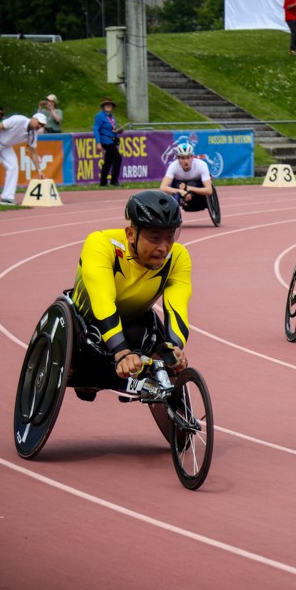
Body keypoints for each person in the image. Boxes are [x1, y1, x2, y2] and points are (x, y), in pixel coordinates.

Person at [72, 190, 190, 385]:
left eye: (170, 237)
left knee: (142, 335)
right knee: (99, 336)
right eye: (154, 238)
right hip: (87, 324)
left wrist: (174, 347)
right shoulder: (100, 243)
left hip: (134, 322)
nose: (164, 247)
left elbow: (177, 306)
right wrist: (121, 351)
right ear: (131, 234)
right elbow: (102, 301)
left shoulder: (178, 256)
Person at [159, 141, 214, 213]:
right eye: (182, 158)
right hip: (180, 186)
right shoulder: (173, 166)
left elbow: (209, 190)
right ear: (178, 158)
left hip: (198, 186)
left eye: (188, 157)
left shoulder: (201, 165)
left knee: (192, 184)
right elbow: (163, 187)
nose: (186, 161)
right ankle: (183, 200)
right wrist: (180, 191)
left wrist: (189, 188)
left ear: (192, 157)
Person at [93, 97, 124, 186]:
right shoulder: (100, 116)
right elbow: (96, 129)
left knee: (108, 161)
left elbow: (113, 129)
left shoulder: (111, 117)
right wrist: (98, 143)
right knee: (117, 158)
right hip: (105, 140)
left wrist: (118, 131)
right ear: (103, 106)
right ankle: (114, 180)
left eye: (109, 105)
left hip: (112, 139)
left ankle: (103, 182)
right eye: (106, 104)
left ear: (112, 107)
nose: (108, 106)